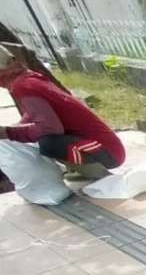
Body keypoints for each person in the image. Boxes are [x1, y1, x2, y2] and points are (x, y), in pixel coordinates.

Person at [0, 45, 124, 180]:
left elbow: (50, 128)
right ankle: (85, 170)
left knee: (49, 143)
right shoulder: (29, 79)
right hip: (108, 147)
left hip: (108, 153)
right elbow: (36, 113)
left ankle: (100, 176)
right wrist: (18, 126)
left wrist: (9, 132)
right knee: (44, 139)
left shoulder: (23, 86)